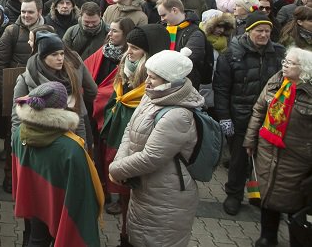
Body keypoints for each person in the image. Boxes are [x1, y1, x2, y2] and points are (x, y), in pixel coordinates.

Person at [108, 49, 205, 247]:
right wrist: (119, 162)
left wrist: (115, 169)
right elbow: (130, 128)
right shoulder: (152, 95)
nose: (147, 81)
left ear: (170, 80)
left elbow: (151, 157)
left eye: (153, 78)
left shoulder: (179, 115)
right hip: (146, 187)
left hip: (166, 197)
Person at [95, 24, 169, 243]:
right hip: (118, 133)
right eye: (128, 46)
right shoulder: (125, 66)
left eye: (135, 48)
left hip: (140, 141)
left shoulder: (155, 81)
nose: (128, 52)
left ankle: (128, 235)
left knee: (134, 194)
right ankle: (124, 233)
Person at [11, 81, 103, 247]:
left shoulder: (20, 132)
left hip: (35, 202)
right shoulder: (71, 147)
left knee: (37, 239)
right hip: (62, 208)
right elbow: (82, 195)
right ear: (60, 108)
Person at [214, 12, 285, 216]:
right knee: (238, 160)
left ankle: (260, 194)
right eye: (259, 30)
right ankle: (234, 194)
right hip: (240, 116)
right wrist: (224, 117)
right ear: (248, 31)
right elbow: (221, 88)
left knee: (267, 160)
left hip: (270, 117)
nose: (263, 35)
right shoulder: (231, 54)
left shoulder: (278, 53)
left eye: (267, 31)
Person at [244, 46, 312, 247]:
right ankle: (268, 236)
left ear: (305, 68)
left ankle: (298, 238)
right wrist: (250, 139)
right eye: (285, 62)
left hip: (298, 158)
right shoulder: (275, 82)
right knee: (268, 194)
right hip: (267, 150)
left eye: (290, 63)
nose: (284, 66)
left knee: (296, 201)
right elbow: (259, 110)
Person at [11, 32, 96, 142]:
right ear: (43, 56)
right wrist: (17, 146)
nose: (60, 58)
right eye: (54, 54)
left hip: (67, 141)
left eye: (62, 53)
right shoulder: (26, 79)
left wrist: (82, 144)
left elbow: (78, 117)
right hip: (38, 141)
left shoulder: (70, 77)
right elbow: (17, 117)